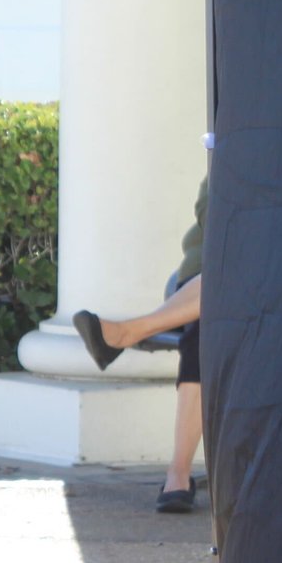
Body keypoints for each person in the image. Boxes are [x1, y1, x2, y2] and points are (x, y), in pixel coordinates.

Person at [72, 180, 207, 512]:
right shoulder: (237, 144)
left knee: (210, 319)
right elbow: (213, 206)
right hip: (207, 277)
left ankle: (127, 333)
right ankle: (178, 472)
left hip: (266, 281)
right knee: (204, 333)